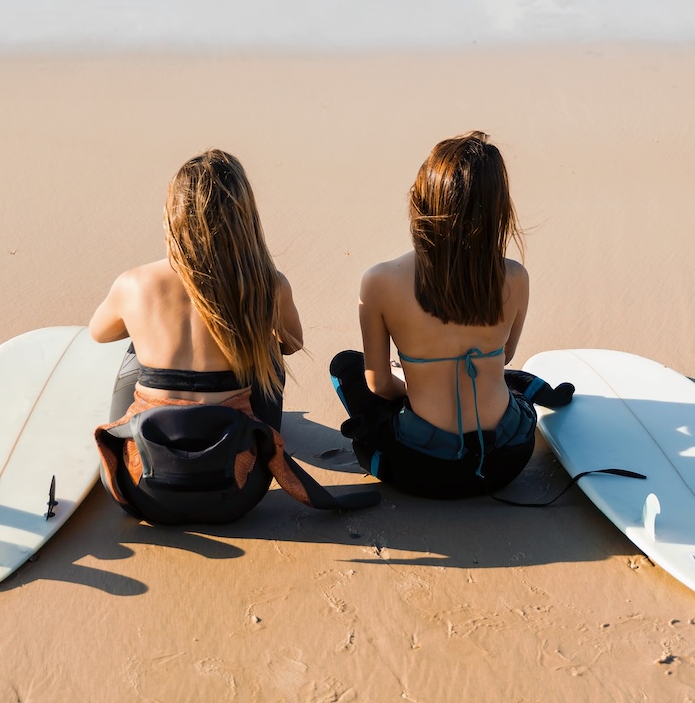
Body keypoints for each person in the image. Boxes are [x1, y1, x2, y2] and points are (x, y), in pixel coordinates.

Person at [91, 148, 378, 523]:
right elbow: (291, 344)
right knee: (269, 351)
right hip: (236, 492)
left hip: (143, 492)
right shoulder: (268, 286)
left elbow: (98, 333)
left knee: (134, 345)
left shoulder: (134, 283)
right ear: (245, 218)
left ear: (172, 216)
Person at [330, 131, 573, 500]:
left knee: (345, 366)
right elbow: (503, 357)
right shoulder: (514, 277)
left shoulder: (379, 281)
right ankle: (535, 390)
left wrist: (415, 381)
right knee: (503, 377)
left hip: (423, 470)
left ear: (420, 200)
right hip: (508, 460)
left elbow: (378, 384)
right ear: (499, 210)